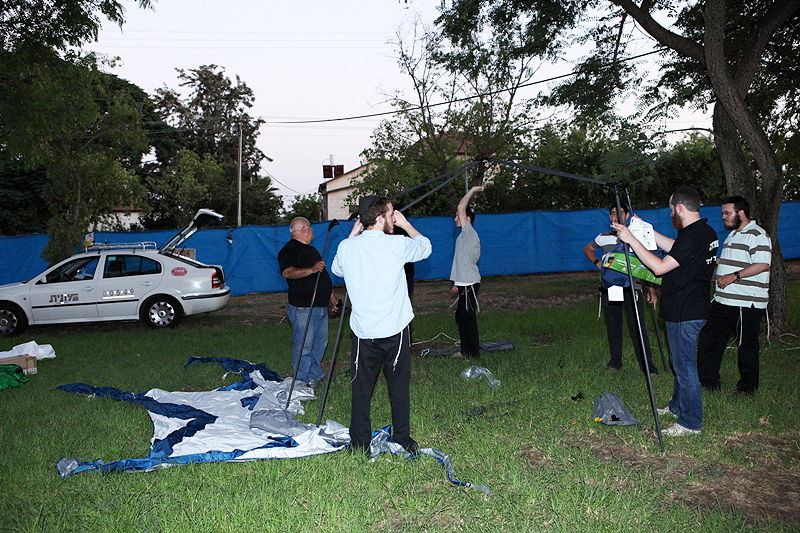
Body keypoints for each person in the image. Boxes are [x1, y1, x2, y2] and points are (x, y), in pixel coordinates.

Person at [612, 187, 718, 437]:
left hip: (686, 309)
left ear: (680, 208)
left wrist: (632, 239)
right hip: (689, 306)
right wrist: (648, 231)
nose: (671, 213)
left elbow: (659, 267)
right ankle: (677, 406)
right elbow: (677, 249)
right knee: (679, 362)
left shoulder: (692, 236)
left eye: (672, 208)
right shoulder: (703, 231)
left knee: (685, 367)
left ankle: (691, 423)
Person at [331, 196, 432, 455]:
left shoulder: (346, 247)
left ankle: (359, 444)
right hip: (395, 332)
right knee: (398, 389)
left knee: (361, 389)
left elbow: (337, 269)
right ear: (378, 219)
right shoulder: (396, 244)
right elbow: (425, 247)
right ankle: (402, 440)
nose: (393, 218)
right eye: (390, 214)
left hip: (363, 334)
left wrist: (352, 236)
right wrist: (407, 225)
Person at [697, 196, 771, 395]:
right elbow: (734, 260)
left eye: (727, 213)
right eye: (723, 213)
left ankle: (747, 389)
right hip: (723, 300)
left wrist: (734, 276)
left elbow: (763, 264)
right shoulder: (732, 235)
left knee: (746, 346)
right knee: (709, 339)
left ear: (741, 213)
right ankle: (708, 383)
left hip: (746, 302)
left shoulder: (757, 234)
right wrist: (714, 260)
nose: (723, 217)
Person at [583, 205, 659, 375]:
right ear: (609, 217)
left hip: (633, 287)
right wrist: (598, 263)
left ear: (627, 215)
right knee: (614, 325)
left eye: (620, 213)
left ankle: (648, 367)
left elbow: (645, 264)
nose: (616, 216)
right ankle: (615, 363)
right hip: (614, 288)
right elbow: (587, 249)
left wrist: (651, 289)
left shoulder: (635, 237)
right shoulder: (604, 237)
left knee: (638, 327)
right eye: (613, 213)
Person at [277, 217, 338, 388]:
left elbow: (321, 277)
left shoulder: (311, 250)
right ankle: (301, 380)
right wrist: (311, 269)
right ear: (303, 229)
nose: (312, 232)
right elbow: (288, 272)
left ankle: (314, 375)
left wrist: (332, 298)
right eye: (310, 228)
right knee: (304, 344)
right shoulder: (289, 250)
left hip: (320, 306)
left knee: (321, 342)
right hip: (303, 307)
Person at [450, 185, 484, 359]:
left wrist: (472, 191)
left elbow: (461, 207)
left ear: (467, 219)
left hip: (470, 283)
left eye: (458, 217)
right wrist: (456, 282)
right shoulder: (462, 237)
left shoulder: (469, 232)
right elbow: (460, 261)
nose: (456, 218)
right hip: (464, 283)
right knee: (461, 316)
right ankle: (466, 350)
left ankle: (473, 353)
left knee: (468, 318)